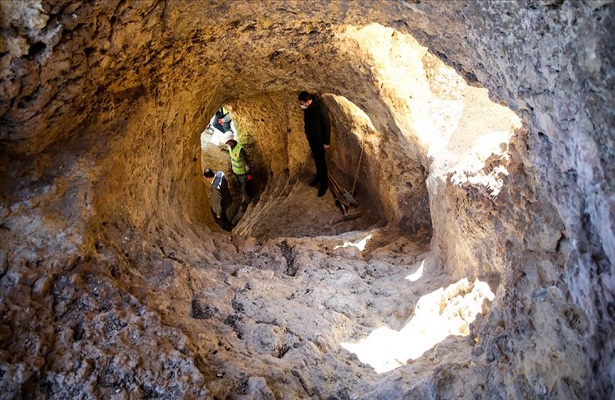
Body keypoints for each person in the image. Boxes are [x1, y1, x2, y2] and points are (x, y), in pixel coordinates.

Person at [297, 91, 331, 197]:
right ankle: (318, 177)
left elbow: (327, 126)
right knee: (316, 159)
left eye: (302, 103)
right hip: (312, 139)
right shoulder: (308, 108)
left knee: (321, 161)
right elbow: (308, 122)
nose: (301, 105)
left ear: (307, 102)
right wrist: (307, 133)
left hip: (320, 140)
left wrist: (326, 142)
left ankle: (324, 184)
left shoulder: (320, 109)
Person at [223, 131, 252, 211]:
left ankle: (247, 202)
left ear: (232, 140)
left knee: (244, 188)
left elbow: (246, 162)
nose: (228, 144)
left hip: (242, 173)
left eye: (228, 142)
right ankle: (244, 196)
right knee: (240, 185)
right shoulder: (230, 147)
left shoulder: (240, 149)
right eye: (227, 143)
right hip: (235, 172)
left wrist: (248, 173)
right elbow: (232, 157)